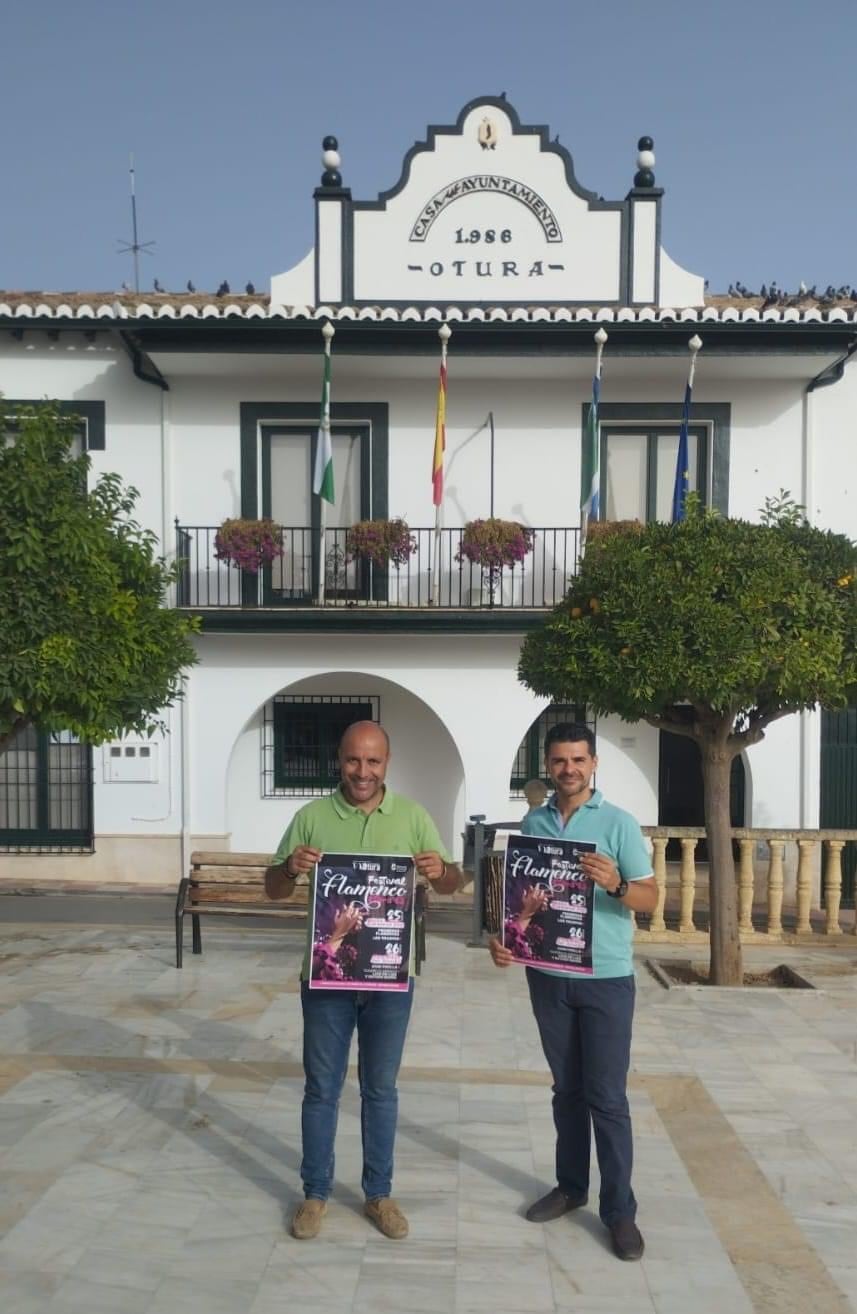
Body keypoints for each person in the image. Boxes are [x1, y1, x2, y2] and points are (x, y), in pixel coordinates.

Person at [265, 720, 460, 1242]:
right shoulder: (310, 817)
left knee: (380, 1089)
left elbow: (453, 882)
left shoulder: (413, 817)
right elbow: (273, 890)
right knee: (321, 1089)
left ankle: (379, 1194)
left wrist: (441, 871)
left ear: (386, 764)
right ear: (340, 760)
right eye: (354, 760)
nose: (363, 771)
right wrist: (289, 868)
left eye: (373, 762)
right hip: (326, 978)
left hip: (390, 978)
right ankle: (314, 1194)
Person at [489, 722, 657, 1262]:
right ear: (549, 764)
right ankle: (570, 1186)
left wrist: (616, 883)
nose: (569, 770)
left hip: (605, 978)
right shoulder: (534, 822)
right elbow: (523, 899)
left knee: (607, 1097)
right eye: (560, 761)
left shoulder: (619, 824)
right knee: (567, 1089)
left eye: (578, 760)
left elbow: (651, 898)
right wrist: (509, 938)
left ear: (594, 764)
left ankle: (619, 1212)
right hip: (548, 975)